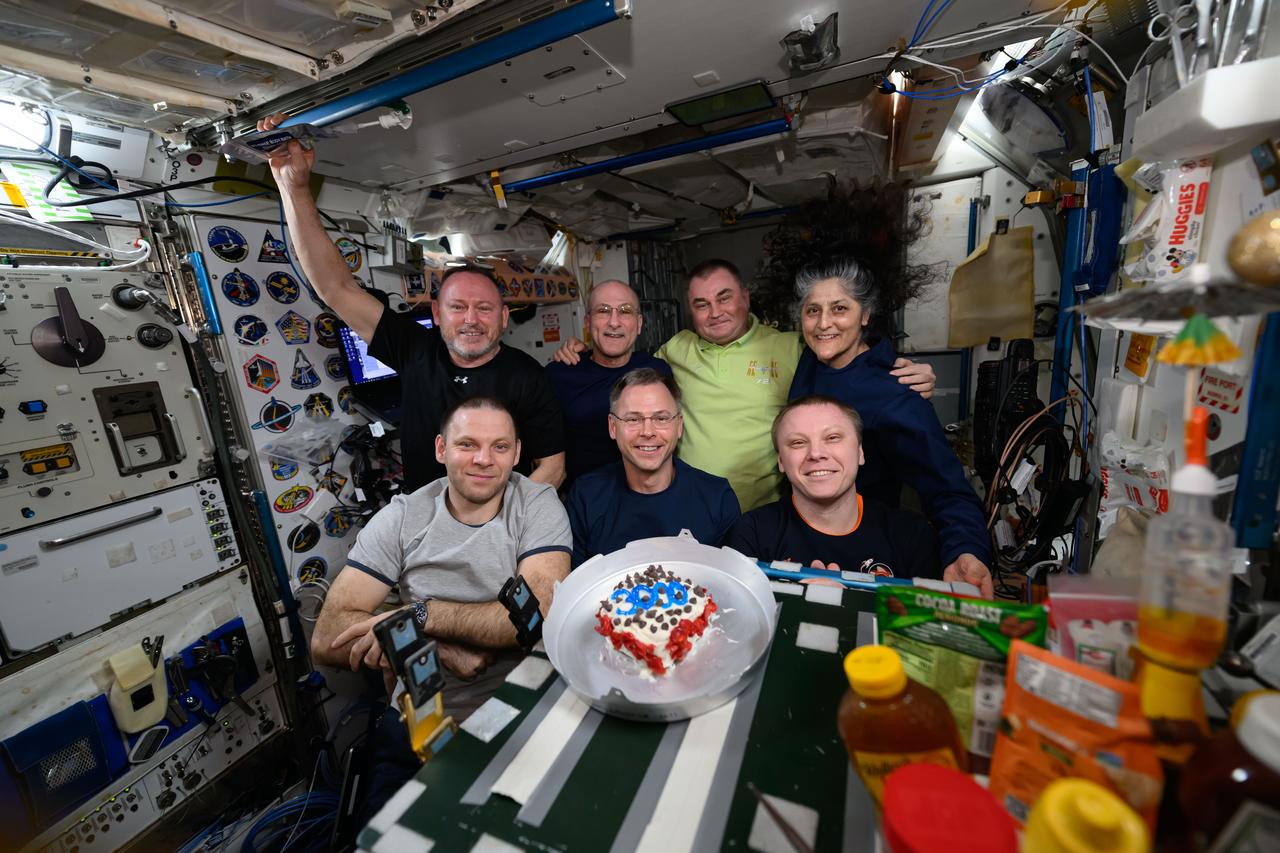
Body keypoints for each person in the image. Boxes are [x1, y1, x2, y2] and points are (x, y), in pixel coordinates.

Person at [257, 112, 565, 493]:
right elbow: (336, 288)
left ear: (504, 317)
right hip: (426, 524)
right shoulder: (415, 350)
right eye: (457, 307)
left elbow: (552, 468)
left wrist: (499, 525)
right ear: (436, 314)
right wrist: (294, 189)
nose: (472, 319)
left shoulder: (527, 375)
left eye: (485, 308)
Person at [553, 259, 935, 510]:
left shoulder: (791, 346)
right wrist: (577, 348)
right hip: (690, 509)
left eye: (724, 298)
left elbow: (840, 356)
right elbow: (626, 371)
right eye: (701, 304)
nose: (714, 312)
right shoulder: (674, 351)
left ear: (745, 298)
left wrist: (889, 368)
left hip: (768, 511)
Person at [310, 395, 571, 713]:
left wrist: (420, 615)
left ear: (516, 453)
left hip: (527, 704)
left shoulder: (536, 504)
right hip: (427, 718)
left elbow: (532, 617)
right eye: (467, 445)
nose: (483, 459)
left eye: (499, 447)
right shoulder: (403, 518)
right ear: (441, 449)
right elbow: (326, 637)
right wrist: (434, 647)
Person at [787, 257, 993, 598]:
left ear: (865, 315)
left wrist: (965, 550)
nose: (824, 324)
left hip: (863, 558)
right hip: (800, 537)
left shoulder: (896, 394)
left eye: (839, 309)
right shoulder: (810, 361)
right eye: (812, 311)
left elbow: (948, 488)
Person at [725, 396, 940, 580]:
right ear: (781, 461)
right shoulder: (752, 533)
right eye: (798, 443)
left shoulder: (912, 535)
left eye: (833, 438)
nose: (816, 453)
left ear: (860, 452)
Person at [566, 368, 739, 567]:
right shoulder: (585, 496)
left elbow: (731, 588)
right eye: (633, 419)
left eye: (661, 419)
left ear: (679, 426)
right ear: (613, 427)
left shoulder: (717, 498)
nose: (647, 432)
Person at [545, 279, 672, 488]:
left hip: (650, 497)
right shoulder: (559, 375)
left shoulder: (658, 371)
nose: (614, 322)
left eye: (625, 311)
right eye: (603, 311)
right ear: (587, 322)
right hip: (582, 506)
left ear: (639, 323)